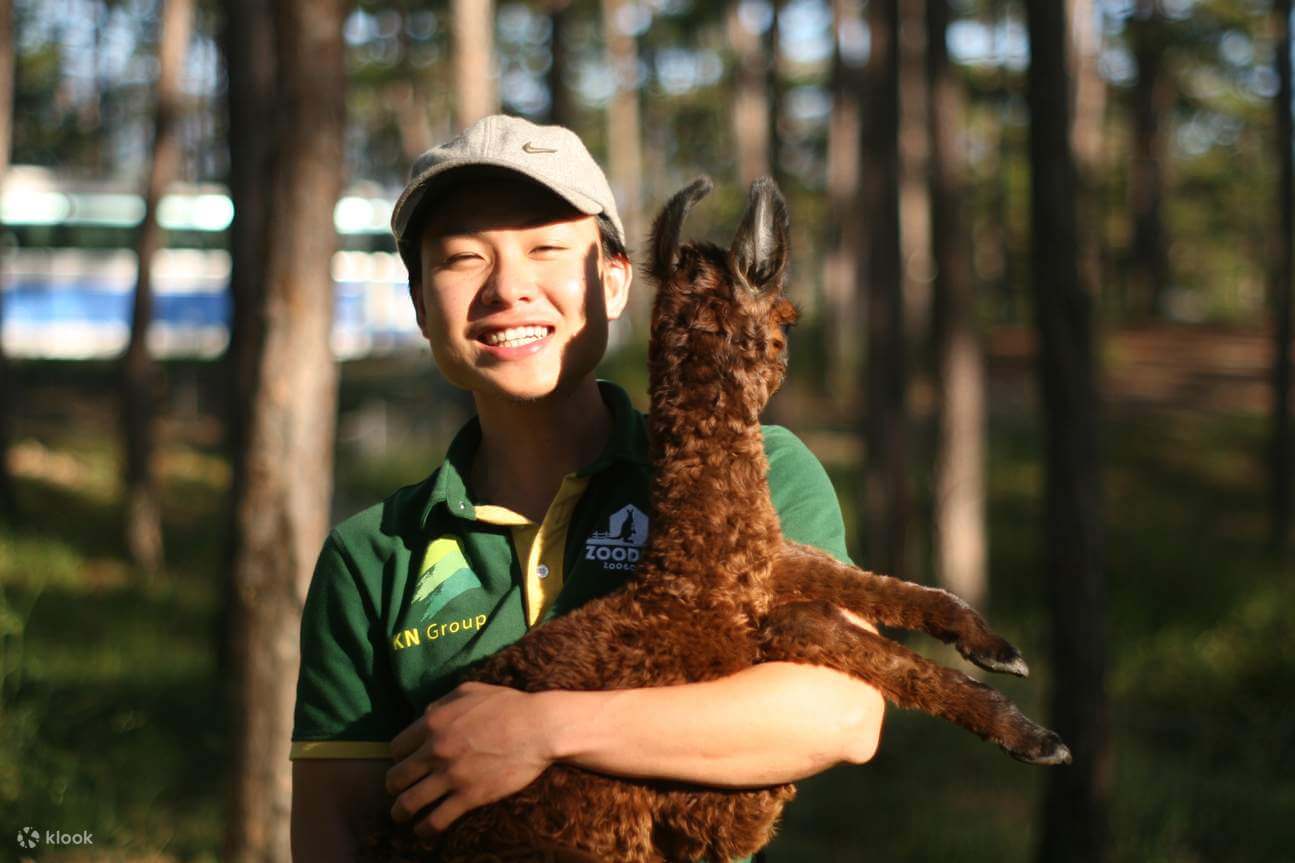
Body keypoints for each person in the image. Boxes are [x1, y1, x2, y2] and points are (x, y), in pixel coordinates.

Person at [289, 114, 885, 863]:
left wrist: (541, 730)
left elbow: (839, 713)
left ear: (612, 280)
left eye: (546, 249)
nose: (508, 288)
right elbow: (332, 831)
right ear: (417, 303)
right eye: (462, 258)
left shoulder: (761, 469)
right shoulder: (371, 553)